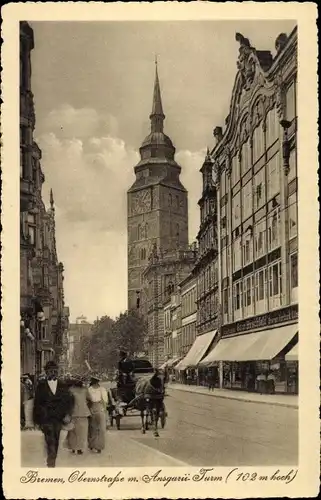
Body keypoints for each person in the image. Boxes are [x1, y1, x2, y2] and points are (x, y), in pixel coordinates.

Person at [33, 360, 75, 467]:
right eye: (50, 371)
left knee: (55, 439)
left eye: (55, 371)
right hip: (46, 418)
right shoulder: (41, 386)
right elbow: (37, 403)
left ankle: (52, 458)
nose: (53, 373)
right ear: (46, 372)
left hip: (58, 417)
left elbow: (69, 401)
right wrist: (37, 420)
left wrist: (67, 414)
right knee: (50, 439)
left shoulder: (63, 385)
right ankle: (51, 461)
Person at [65, 376, 91, 455]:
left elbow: (67, 402)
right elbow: (90, 399)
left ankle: (74, 448)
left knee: (73, 431)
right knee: (81, 432)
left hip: (73, 413)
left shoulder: (70, 390)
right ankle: (79, 448)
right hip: (83, 413)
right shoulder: (85, 390)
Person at [87, 375, 108, 453]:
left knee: (101, 429)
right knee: (92, 428)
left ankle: (99, 446)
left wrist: (104, 410)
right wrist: (90, 409)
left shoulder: (102, 389)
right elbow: (88, 401)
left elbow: (105, 401)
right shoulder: (89, 389)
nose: (95, 383)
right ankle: (92, 444)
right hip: (91, 407)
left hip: (100, 408)